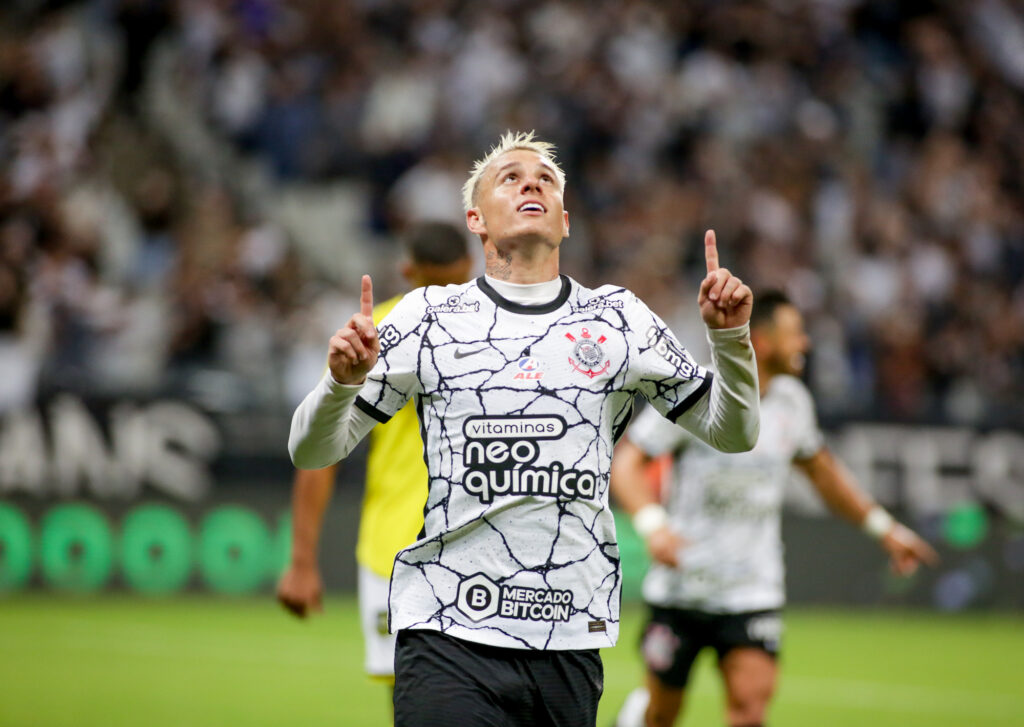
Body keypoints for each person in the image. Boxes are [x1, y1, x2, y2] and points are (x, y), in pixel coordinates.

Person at [287, 130, 761, 727]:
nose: (530, 182)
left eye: (545, 179)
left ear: (565, 220)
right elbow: (310, 449)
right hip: (446, 628)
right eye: (508, 178)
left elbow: (733, 433)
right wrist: (340, 383)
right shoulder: (428, 316)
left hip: (567, 635)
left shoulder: (618, 319)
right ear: (475, 219)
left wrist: (730, 341)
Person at [611, 290, 939, 727]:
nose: (804, 344)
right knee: (660, 715)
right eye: (795, 335)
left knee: (750, 711)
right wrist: (654, 526)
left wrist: (884, 529)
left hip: (753, 591)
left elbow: (823, 474)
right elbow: (627, 462)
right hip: (682, 588)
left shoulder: (793, 403)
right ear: (761, 342)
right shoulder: (697, 390)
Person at [276, 222, 473, 687]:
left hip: (469, 545)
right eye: (436, 283)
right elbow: (324, 447)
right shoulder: (376, 333)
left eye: (456, 282)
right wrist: (301, 560)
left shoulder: (493, 330)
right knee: (415, 697)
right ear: (408, 272)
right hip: (397, 551)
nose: (447, 295)